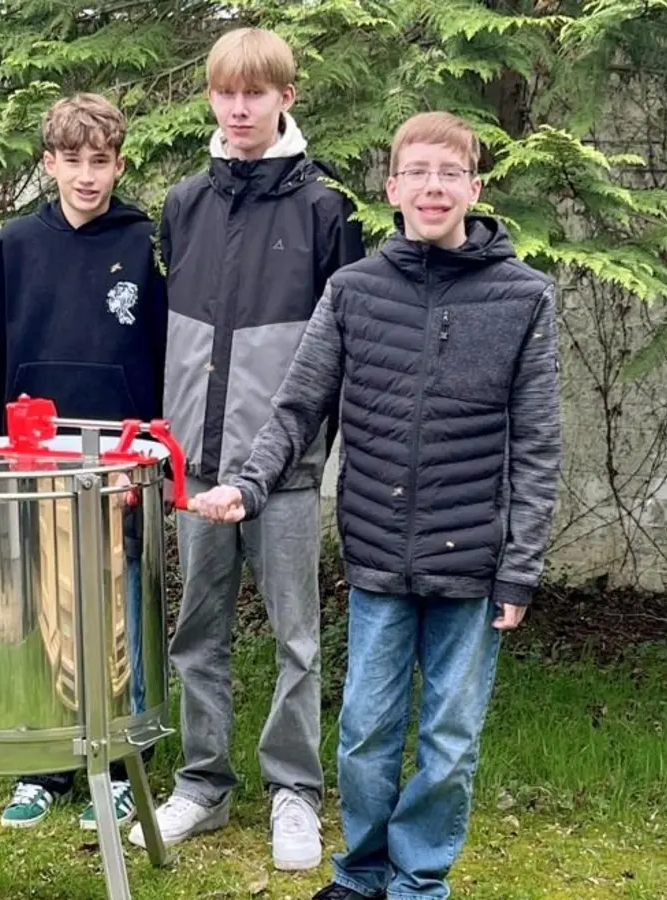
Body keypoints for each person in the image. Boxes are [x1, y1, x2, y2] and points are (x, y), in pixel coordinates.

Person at [188, 110, 563, 900]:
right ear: (392, 188)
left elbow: (536, 445)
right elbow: (297, 409)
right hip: (377, 554)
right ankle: (360, 875)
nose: (434, 186)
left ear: (474, 187)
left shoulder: (525, 297)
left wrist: (520, 567)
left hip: (474, 561)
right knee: (364, 734)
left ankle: (419, 880)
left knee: (450, 742)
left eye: (449, 173)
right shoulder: (353, 290)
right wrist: (248, 486)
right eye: (418, 172)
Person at [128, 27, 364, 872]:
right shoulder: (186, 204)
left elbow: (337, 353)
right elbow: (173, 338)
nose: (238, 108)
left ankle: (294, 791)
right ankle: (203, 782)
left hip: (287, 475)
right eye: (226, 93)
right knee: (199, 630)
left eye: (255, 93)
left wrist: (301, 451)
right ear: (211, 98)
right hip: (195, 466)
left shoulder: (323, 212)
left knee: (298, 635)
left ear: (285, 99)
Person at [0, 93, 167, 831]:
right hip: (33, 458)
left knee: (115, 607)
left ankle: (120, 762)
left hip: (116, 461)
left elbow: (159, 355)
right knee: (48, 610)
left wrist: (147, 447)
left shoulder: (146, 243)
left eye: (101, 162)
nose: (88, 177)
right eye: (73, 161)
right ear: (48, 162)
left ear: (119, 164)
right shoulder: (16, 246)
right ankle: (46, 762)